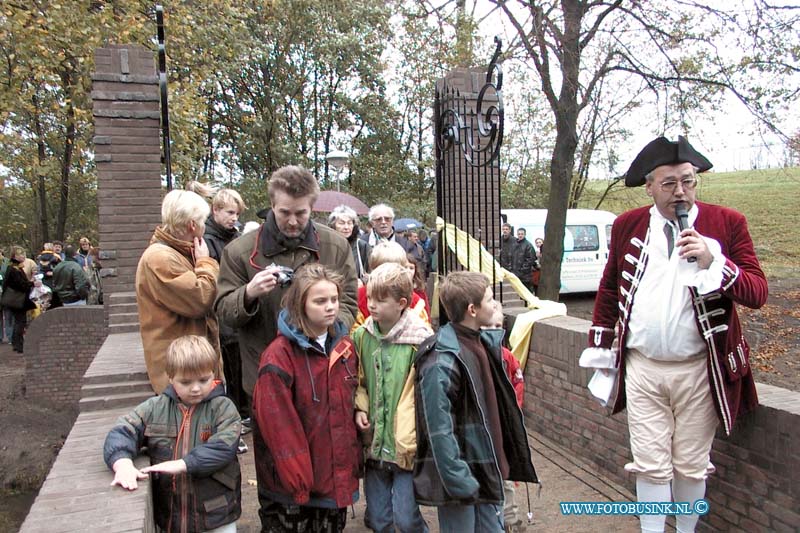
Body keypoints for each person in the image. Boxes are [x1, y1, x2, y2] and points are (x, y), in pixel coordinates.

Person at [580, 136, 768, 533]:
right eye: (669, 183)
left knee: (691, 465)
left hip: (700, 369)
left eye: (688, 181)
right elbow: (611, 287)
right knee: (649, 464)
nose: (680, 192)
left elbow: (758, 292)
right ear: (649, 186)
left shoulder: (727, 222)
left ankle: (685, 530)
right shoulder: (627, 224)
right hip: (643, 367)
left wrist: (715, 260)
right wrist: (600, 347)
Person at [214, 165, 358, 433]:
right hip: (265, 380)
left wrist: (323, 330)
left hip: (321, 379)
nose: (293, 221)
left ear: (312, 208)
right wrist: (249, 294)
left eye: (301, 213)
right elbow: (223, 312)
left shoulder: (335, 247)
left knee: (324, 465)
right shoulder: (240, 252)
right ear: (271, 204)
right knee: (276, 468)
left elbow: (349, 302)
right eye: (284, 213)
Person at [414, 271, 537, 532]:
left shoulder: (484, 344)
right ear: (472, 309)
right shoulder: (441, 360)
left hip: (486, 468)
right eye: (490, 299)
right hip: (463, 475)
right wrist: (458, 478)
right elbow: (438, 429)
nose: (494, 305)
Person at [252, 264, 360, 532]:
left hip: (333, 478)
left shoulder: (345, 345)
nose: (331, 307)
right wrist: (299, 482)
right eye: (320, 301)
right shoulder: (279, 355)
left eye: (334, 299)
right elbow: (279, 428)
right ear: (301, 304)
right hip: (291, 486)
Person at [103, 335, 242, 533]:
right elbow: (123, 430)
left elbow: (224, 447)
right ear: (170, 378)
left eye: (204, 380)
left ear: (213, 373)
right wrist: (122, 463)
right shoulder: (154, 408)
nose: (195, 388)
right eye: (185, 382)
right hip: (170, 516)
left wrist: (184, 464)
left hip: (216, 514)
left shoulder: (223, 408)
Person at [352, 263, 432, 533]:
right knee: (378, 519)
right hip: (374, 441)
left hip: (406, 445)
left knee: (406, 518)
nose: (371, 305)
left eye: (379, 299)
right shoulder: (362, 336)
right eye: (370, 297)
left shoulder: (420, 340)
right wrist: (360, 407)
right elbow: (358, 380)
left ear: (401, 303)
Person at [135, 188, 222, 393]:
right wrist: (205, 263)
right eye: (203, 222)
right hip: (183, 374)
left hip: (192, 367)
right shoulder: (161, 258)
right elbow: (201, 299)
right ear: (193, 224)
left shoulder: (177, 252)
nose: (205, 228)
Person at [200, 185, 248, 428]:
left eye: (237, 214)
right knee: (229, 369)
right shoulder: (206, 241)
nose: (234, 218)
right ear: (215, 210)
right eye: (230, 212)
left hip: (240, 312)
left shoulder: (236, 238)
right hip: (223, 316)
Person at [483, 303, 526, 533]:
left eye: (497, 326)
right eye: (487, 326)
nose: (492, 330)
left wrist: (512, 410)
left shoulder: (507, 357)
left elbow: (518, 385)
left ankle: (511, 520)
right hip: (484, 428)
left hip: (504, 428)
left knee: (506, 478)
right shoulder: (475, 356)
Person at [351, 242, 430, 331]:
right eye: (380, 270)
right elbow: (354, 334)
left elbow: (425, 332)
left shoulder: (415, 302)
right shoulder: (359, 298)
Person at [1, 247, 37, 353]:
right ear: (15, 256)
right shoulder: (14, 269)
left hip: (16, 299)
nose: (23, 256)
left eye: (24, 254)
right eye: (21, 254)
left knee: (18, 321)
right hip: (17, 300)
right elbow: (20, 285)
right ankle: (18, 344)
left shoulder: (14, 267)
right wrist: (32, 283)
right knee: (20, 322)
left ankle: (17, 343)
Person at [328, 204, 371, 285]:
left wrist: (363, 281)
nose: (346, 227)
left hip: (356, 293)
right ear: (333, 225)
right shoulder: (327, 246)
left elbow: (373, 274)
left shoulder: (362, 246)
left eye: (349, 223)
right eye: (341, 223)